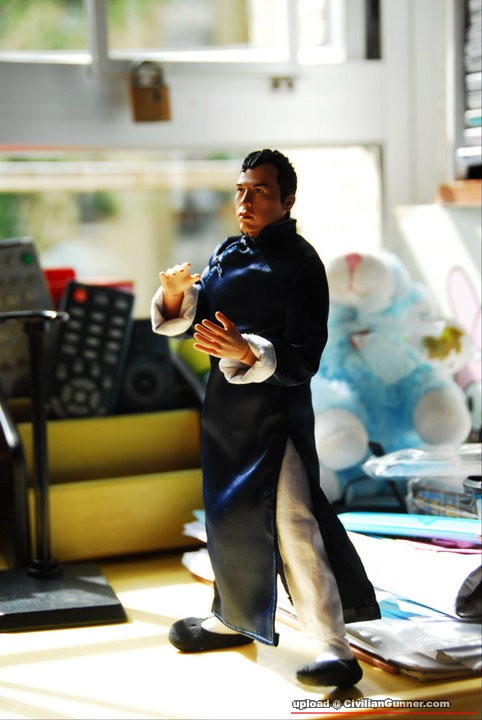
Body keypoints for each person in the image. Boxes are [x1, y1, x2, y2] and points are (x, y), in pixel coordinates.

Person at [151, 149, 380, 687]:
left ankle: (333, 645)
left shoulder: (302, 264)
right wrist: (176, 296)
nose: (246, 201)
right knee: (227, 518)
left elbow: (304, 356)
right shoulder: (226, 251)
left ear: (287, 200)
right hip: (225, 416)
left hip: (276, 418)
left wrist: (248, 351)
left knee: (294, 525)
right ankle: (233, 615)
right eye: (241, 190)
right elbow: (198, 315)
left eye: (260, 191)